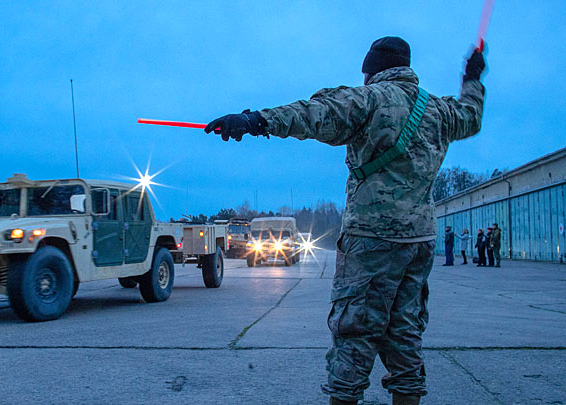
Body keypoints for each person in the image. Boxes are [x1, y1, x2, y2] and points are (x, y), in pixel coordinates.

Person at [204, 36, 485, 405]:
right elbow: (471, 116)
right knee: (405, 332)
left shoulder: (369, 98)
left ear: (371, 70)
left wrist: (255, 120)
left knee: (355, 331)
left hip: (371, 238)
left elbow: (312, 114)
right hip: (419, 241)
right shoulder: (438, 110)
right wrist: (473, 78)